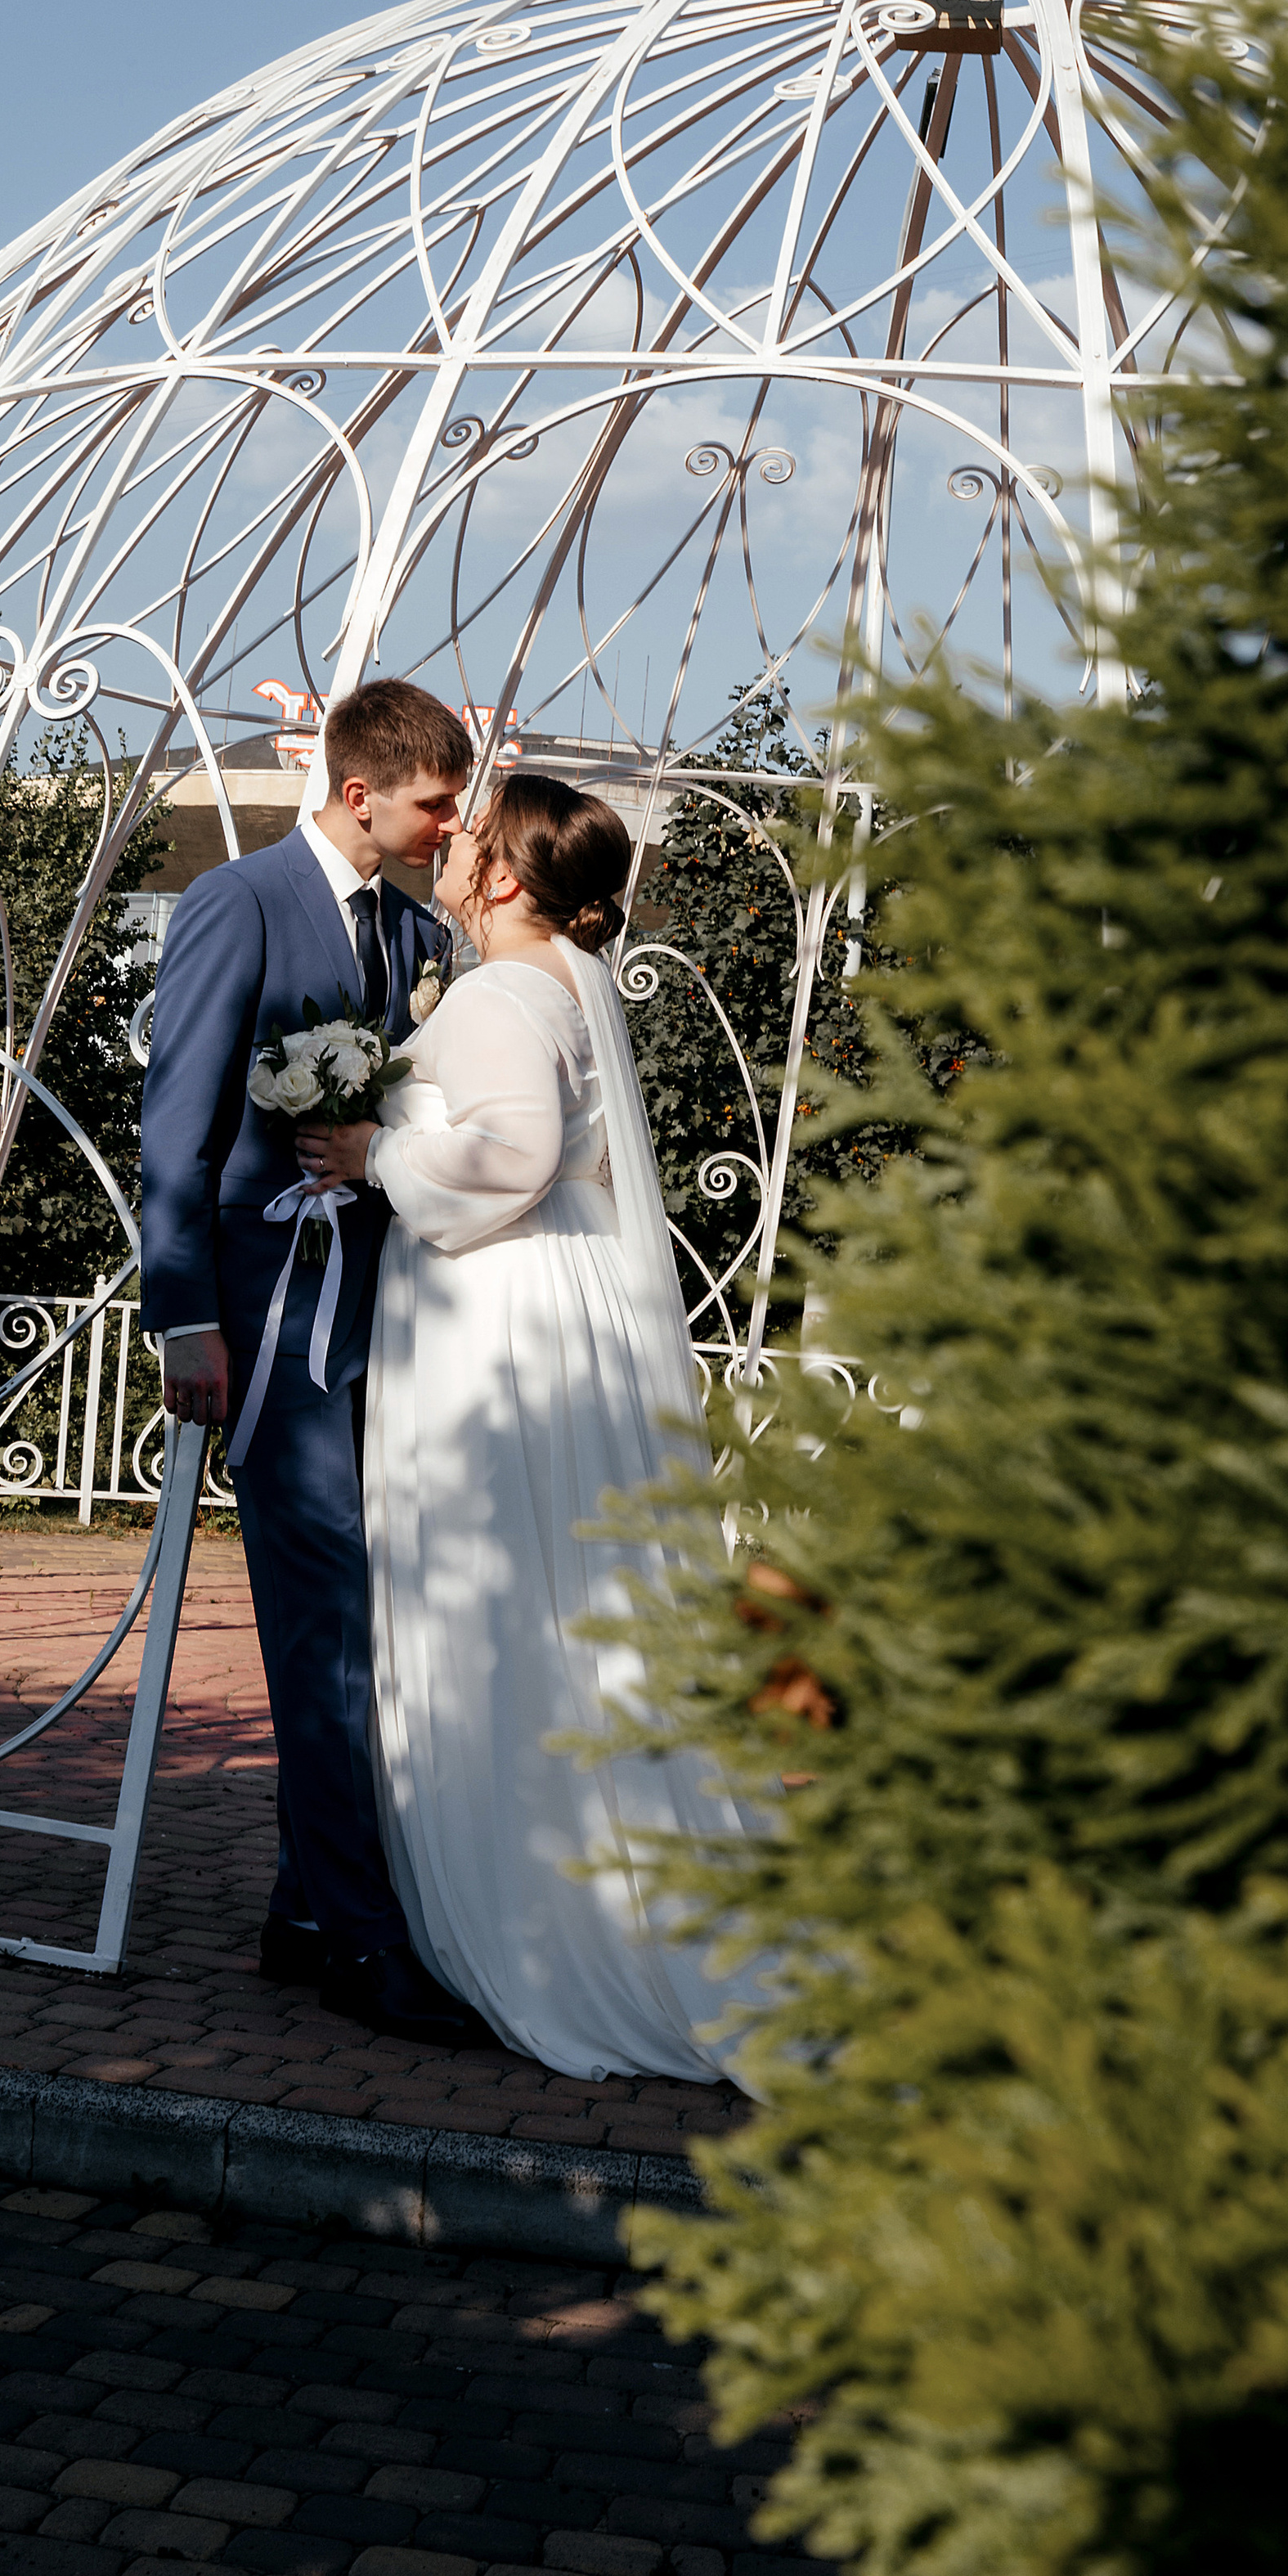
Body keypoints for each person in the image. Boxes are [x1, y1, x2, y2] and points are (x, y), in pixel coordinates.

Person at [294, 773, 760, 2084]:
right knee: (560, 1597)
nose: (449, 850)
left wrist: (372, 1158)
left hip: (492, 1310)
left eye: (472, 837)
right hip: (562, 1296)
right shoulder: (567, 976)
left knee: (498, 1602)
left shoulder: (501, 993)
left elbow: (508, 1157)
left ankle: (528, 1918)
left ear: (503, 878)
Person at [139, 677, 479, 2045]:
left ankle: (298, 1901)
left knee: (375, 1607)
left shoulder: (411, 928)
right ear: (358, 794)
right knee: (328, 1612)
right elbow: (180, 1117)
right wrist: (187, 1317)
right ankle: (359, 1932)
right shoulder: (238, 902)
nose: (453, 824)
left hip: (384, 1313)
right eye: (434, 802)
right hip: (267, 1319)